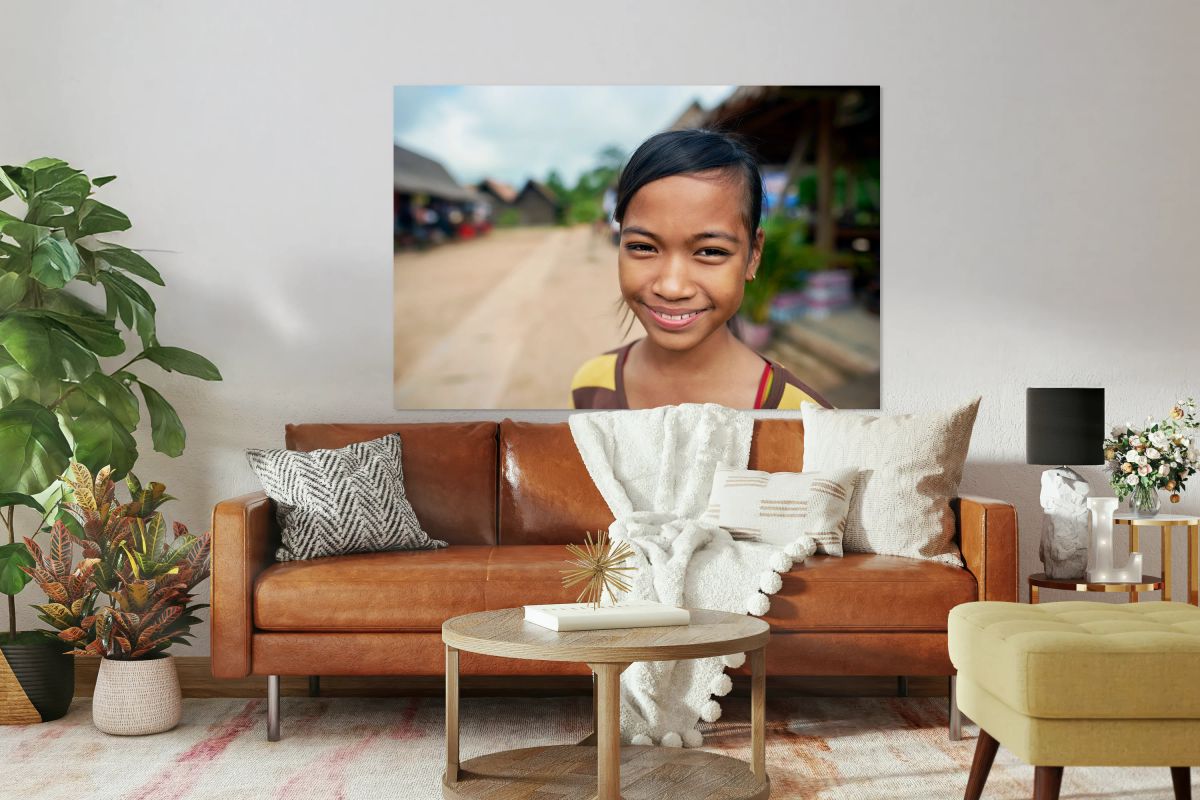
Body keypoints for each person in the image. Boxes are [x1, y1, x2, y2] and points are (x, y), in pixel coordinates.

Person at [569, 128, 832, 410]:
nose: (672, 288)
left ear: (753, 254)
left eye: (710, 251)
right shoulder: (590, 387)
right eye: (643, 247)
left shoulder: (802, 417)